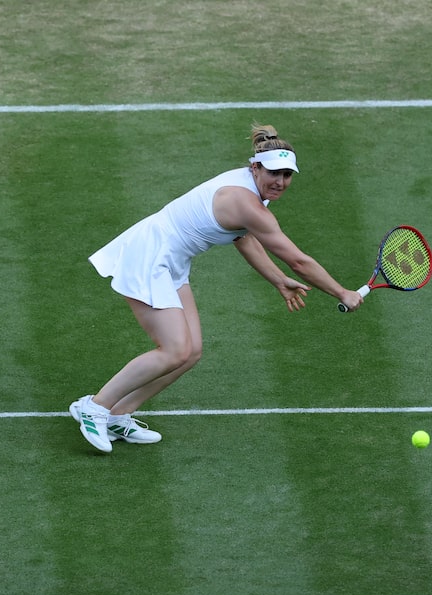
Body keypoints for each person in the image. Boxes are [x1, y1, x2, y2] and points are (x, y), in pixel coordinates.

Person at [69, 124, 365, 453]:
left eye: (287, 175)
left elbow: (243, 237)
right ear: (255, 167)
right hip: (151, 255)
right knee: (174, 350)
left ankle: (118, 414)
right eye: (273, 173)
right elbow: (299, 261)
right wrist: (341, 292)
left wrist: (277, 279)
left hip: (172, 262)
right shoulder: (245, 202)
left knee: (190, 353)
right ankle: (94, 408)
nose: (280, 182)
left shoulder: (251, 195)